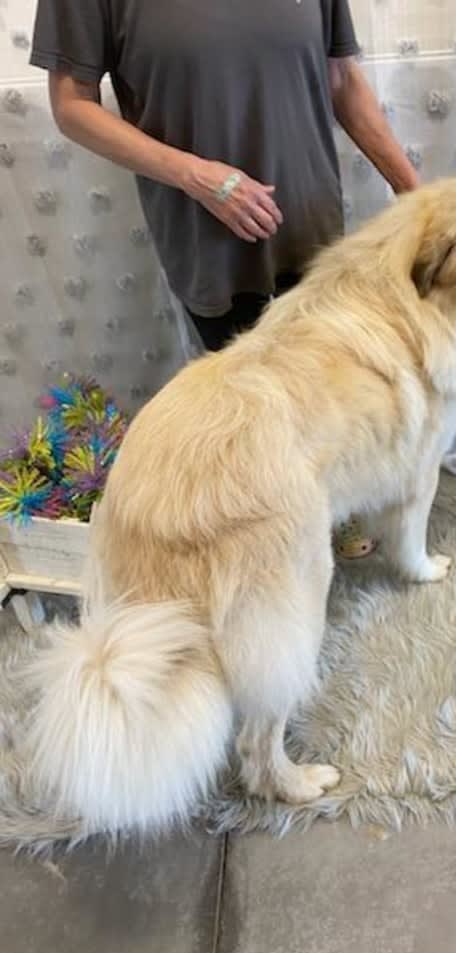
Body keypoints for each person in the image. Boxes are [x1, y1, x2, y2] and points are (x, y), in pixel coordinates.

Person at [30, 0, 417, 557]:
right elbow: (72, 106)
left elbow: (339, 79)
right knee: (252, 404)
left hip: (313, 221)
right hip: (209, 234)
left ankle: (329, 511)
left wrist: (416, 192)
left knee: (332, 387)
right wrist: (196, 177)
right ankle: (268, 551)